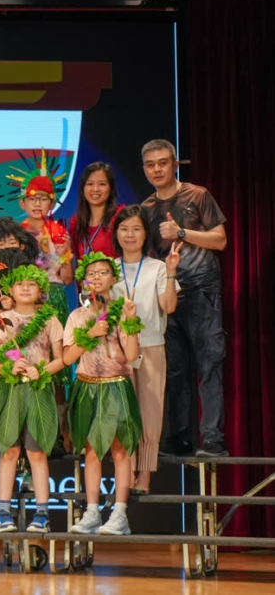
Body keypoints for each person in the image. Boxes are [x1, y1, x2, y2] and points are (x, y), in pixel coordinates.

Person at [139, 139, 229, 457]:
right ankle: (179, 439)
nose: (157, 169)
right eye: (151, 164)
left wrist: (181, 233)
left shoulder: (198, 195)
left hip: (202, 289)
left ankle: (213, 439)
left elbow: (220, 240)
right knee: (175, 371)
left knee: (209, 363)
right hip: (168, 294)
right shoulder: (146, 208)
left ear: (175, 164)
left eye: (163, 162)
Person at [64, 252, 144, 536]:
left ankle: (120, 514)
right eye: (91, 273)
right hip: (87, 386)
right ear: (84, 280)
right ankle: (92, 512)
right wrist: (91, 333)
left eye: (103, 273)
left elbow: (132, 356)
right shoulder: (77, 316)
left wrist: (130, 322)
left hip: (116, 385)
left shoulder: (122, 312)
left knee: (120, 450)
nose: (96, 278)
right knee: (92, 451)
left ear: (113, 279)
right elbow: (67, 358)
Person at [0, 264, 65, 534]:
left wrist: (42, 371)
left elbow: (61, 359)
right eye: (20, 284)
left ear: (41, 289)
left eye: (32, 284)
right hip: (10, 390)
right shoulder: (1, 319)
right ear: (11, 290)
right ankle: (3, 513)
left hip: (39, 389)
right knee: (9, 451)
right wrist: (9, 367)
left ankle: (42, 514)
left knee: (37, 453)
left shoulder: (50, 319)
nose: (26, 288)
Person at [111, 206, 179, 493]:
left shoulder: (158, 267)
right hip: (117, 350)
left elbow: (169, 306)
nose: (130, 235)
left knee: (150, 411)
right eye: (124, 229)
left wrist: (172, 272)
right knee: (123, 412)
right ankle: (125, 471)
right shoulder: (108, 268)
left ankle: (145, 475)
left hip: (150, 345)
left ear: (145, 233)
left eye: (136, 229)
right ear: (116, 233)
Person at [9, 149, 74, 321]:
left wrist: (64, 257)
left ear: (52, 203)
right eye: (32, 199)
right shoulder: (16, 234)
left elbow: (68, 280)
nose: (37, 204)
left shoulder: (59, 233)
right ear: (22, 203)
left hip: (53, 298)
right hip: (24, 299)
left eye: (43, 199)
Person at [69, 162, 122, 267]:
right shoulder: (76, 222)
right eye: (90, 184)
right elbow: (79, 264)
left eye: (102, 184)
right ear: (83, 188)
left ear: (111, 188)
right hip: (87, 278)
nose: (95, 189)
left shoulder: (120, 217)